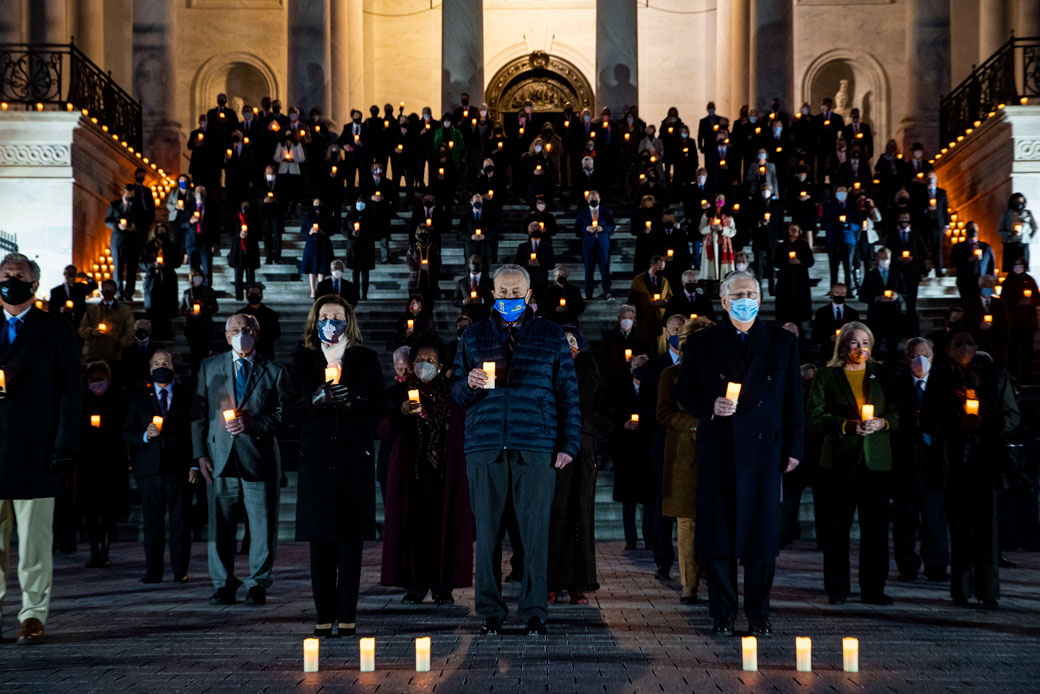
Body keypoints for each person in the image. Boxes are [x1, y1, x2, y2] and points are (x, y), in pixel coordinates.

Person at [451, 264, 581, 636]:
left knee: (535, 534)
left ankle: (535, 611)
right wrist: (470, 384)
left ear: (528, 296)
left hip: (536, 445)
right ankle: (490, 610)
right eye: (502, 292)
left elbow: (568, 395)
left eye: (515, 292)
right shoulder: (473, 337)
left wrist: (568, 443)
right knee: (488, 534)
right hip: (485, 445)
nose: (509, 299)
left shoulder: (552, 335)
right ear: (492, 294)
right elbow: (456, 393)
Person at [676, 270, 803, 635]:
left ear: (760, 299)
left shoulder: (782, 342)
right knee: (718, 536)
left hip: (764, 452)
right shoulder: (703, 342)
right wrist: (709, 405)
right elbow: (685, 392)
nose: (747, 299)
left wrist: (794, 447)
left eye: (753, 292)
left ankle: (759, 613)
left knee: (762, 539)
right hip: (720, 449)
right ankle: (723, 612)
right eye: (740, 293)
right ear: (724, 299)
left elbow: (793, 397)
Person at [287, 296, 384, 636]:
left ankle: (347, 617)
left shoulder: (366, 359)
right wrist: (314, 401)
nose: (331, 322)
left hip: (352, 463)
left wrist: (353, 402)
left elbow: (379, 406)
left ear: (348, 321)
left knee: (349, 548)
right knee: (321, 548)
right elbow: (288, 412)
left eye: (337, 316)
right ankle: (323, 615)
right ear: (316, 321)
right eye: (325, 316)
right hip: (316, 464)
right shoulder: (302, 359)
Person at [0, 253, 82, 645]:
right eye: (4, 275)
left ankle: (33, 613)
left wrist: (64, 444)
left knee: (33, 542)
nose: (10, 281)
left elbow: (71, 392)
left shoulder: (55, 328)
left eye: (18, 275)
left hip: (36, 449)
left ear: (34, 284)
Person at [191, 313, 291, 607]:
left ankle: (257, 583)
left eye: (246, 329)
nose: (241, 334)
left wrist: (256, 423)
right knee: (220, 525)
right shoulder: (210, 368)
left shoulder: (274, 371)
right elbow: (198, 414)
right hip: (220, 458)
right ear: (226, 336)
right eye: (234, 330)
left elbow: (287, 414)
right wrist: (200, 455)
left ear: (256, 335)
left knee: (262, 526)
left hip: (258, 458)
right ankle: (223, 583)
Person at [922, 326, 1020, 607]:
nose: (964, 348)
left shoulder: (995, 375)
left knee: (988, 532)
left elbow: (1012, 415)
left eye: (969, 343)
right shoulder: (940, 378)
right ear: (948, 350)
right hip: (954, 464)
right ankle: (961, 590)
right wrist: (955, 425)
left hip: (987, 464)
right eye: (958, 344)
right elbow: (928, 419)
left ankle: (988, 591)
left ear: (977, 346)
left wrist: (986, 424)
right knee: (961, 531)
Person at [806, 322, 899, 605]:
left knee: (876, 529)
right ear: (842, 346)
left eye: (865, 343)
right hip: (839, 461)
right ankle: (837, 588)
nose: (860, 348)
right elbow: (814, 416)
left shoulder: (881, 374)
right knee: (837, 528)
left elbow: (897, 412)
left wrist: (883, 422)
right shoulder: (826, 376)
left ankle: (873, 589)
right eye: (854, 343)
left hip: (875, 463)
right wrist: (846, 426)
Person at [381, 339, 473, 605]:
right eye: (419, 360)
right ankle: (416, 585)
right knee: (415, 529)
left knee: (443, 528)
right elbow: (384, 431)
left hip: (446, 474)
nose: (423, 366)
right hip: (412, 475)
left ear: (442, 366)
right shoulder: (399, 393)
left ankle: (442, 586)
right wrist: (401, 414)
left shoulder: (453, 395)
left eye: (430, 361)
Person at [547, 327, 611, 604]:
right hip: (554, 451)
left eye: (573, 341)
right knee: (553, 515)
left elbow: (607, 414)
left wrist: (583, 428)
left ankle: (578, 582)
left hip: (583, 453)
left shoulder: (593, 376)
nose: (568, 345)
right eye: (564, 341)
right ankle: (550, 581)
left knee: (580, 517)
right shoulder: (548, 372)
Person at [124, 350, 193, 584]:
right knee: (152, 523)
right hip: (150, 469)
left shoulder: (186, 394)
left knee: (180, 522)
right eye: (156, 363)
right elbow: (127, 431)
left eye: (165, 362)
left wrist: (194, 463)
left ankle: (179, 569)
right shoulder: (140, 396)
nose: (161, 366)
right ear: (150, 369)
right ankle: (153, 570)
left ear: (173, 366)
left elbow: (194, 430)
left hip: (178, 467)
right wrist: (144, 435)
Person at [658, 317, 713, 603]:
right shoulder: (672, 375)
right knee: (687, 522)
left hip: (716, 455)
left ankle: (713, 581)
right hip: (685, 456)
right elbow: (664, 413)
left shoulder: (721, 375)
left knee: (714, 521)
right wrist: (698, 422)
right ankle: (689, 586)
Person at [891, 338, 949, 582]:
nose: (920, 360)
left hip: (933, 462)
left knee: (934, 518)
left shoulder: (942, 383)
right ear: (906, 359)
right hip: (905, 462)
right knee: (905, 519)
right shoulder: (897, 383)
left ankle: (936, 564)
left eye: (925, 355)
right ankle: (907, 565)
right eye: (915, 355)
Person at [78, 362, 129, 569]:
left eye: (100, 379)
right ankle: (93, 551)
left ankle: (105, 551)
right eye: (92, 380)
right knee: (90, 512)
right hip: (88, 462)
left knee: (108, 512)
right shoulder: (82, 400)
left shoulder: (120, 401)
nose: (96, 384)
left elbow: (124, 427)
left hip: (111, 461)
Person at [78, 279, 136, 388]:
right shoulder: (92, 310)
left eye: (110, 288)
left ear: (115, 290)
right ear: (101, 290)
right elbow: (82, 330)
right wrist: (92, 332)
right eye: (105, 288)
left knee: (115, 386)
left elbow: (131, 332)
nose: (108, 291)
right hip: (95, 355)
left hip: (115, 356)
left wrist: (119, 342)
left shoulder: (124, 310)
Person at [859, 248, 906, 365]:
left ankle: (892, 374)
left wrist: (897, 297)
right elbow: (863, 296)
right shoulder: (870, 275)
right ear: (877, 259)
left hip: (893, 316)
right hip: (876, 316)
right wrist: (876, 298)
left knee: (892, 348)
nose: (885, 260)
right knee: (874, 347)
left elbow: (905, 293)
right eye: (882, 258)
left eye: (887, 258)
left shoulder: (897, 274)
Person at [140, 225, 180, 340]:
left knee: (166, 309)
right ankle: (155, 333)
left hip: (167, 280)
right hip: (153, 280)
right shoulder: (149, 247)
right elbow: (142, 262)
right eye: (159, 232)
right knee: (154, 309)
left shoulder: (171, 246)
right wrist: (153, 265)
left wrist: (167, 263)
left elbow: (177, 261)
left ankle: (167, 332)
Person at [1003, 259, 1040, 384]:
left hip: (1028, 322)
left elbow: (1038, 298)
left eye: (1020, 265)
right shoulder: (1008, 281)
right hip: (1014, 321)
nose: (1018, 268)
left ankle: (1026, 376)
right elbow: (1004, 299)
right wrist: (1017, 301)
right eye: (1015, 265)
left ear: (1024, 266)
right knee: (1013, 350)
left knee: (1027, 351)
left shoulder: (1030, 280)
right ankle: (1012, 375)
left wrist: (1030, 302)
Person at [105, 183, 144, 301]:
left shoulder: (138, 206)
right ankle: (118, 292)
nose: (130, 197)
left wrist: (135, 226)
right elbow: (107, 221)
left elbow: (143, 220)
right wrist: (118, 226)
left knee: (132, 268)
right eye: (128, 194)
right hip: (118, 241)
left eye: (132, 195)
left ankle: (129, 293)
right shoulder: (114, 205)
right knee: (118, 268)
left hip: (133, 241)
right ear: (123, 193)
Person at [628, 255, 672, 354]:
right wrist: (646, 302)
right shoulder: (638, 280)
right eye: (660, 268)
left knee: (660, 352)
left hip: (660, 323)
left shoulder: (664, 281)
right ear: (653, 266)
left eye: (663, 268)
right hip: (644, 322)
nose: (662, 270)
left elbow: (670, 298)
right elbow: (631, 299)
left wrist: (663, 302)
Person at [575, 190, 615, 300]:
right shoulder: (582, 212)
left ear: (600, 199)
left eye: (596, 198)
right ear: (587, 200)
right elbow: (577, 229)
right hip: (588, 245)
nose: (594, 200)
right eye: (591, 198)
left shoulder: (606, 211)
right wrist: (587, 228)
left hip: (603, 244)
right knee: (589, 269)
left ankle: (607, 292)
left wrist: (603, 229)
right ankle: (588, 293)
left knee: (605, 269)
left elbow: (612, 226)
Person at [773, 223, 815, 327]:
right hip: (785, 277)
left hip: (800, 277)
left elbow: (810, 261)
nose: (794, 231)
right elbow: (775, 262)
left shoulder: (804, 244)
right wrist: (787, 262)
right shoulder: (781, 245)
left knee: (800, 300)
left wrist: (800, 261)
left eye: (796, 229)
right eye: (792, 229)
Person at [180, 268, 219, 374]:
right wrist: (190, 313)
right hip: (191, 326)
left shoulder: (208, 291)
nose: (197, 279)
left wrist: (203, 312)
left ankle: (204, 372)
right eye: (194, 277)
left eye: (199, 276)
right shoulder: (187, 293)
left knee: (204, 350)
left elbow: (215, 307)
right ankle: (194, 372)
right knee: (194, 351)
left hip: (205, 325)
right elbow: (181, 309)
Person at [950, 221, 997, 302]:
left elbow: (991, 264)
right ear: (966, 230)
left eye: (975, 228)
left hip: (982, 282)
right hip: (965, 281)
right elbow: (953, 261)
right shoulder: (958, 247)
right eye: (970, 228)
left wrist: (990, 279)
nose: (973, 230)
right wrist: (969, 259)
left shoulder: (986, 247)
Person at [811, 283, 860, 360]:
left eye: (842, 293)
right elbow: (816, 334)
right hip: (828, 352)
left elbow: (857, 333)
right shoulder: (821, 312)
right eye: (837, 293)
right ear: (831, 293)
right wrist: (829, 338)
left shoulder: (852, 313)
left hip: (847, 353)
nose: (840, 295)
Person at [235, 285, 282, 361]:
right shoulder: (240, 314)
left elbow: (276, 333)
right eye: (251, 293)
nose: (254, 295)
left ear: (261, 295)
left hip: (265, 351)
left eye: (256, 293)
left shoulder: (270, 314)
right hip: (246, 351)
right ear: (247, 296)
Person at [48, 264, 98, 335]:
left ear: (75, 275)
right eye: (68, 273)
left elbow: (94, 286)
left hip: (79, 322)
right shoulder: (56, 291)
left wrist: (87, 277)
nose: (70, 275)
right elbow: (51, 308)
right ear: (64, 274)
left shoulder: (80, 287)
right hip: (63, 323)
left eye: (73, 273)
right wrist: (62, 309)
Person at [301, 198, 335, 299]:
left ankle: (321, 290)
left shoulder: (327, 216)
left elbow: (332, 229)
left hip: (324, 243)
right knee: (312, 267)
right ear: (312, 204)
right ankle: (312, 290)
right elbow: (303, 230)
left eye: (319, 203)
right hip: (312, 244)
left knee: (322, 267)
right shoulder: (308, 216)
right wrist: (309, 232)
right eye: (316, 203)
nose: (318, 205)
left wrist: (323, 231)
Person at [698, 198, 736, 285]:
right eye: (718, 198)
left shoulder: (728, 216)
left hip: (724, 245)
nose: (720, 201)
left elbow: (733, 231)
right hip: (711, 244)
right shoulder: (707, 215)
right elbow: (701, 229)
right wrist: (711, 228)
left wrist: (723, 230)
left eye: (722, 199)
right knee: (712, 269)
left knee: (723, 269)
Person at [346, 195, 376, 301]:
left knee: (365, 272)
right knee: (355, 272)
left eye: (362, 202)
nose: (360, 204)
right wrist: (351, 234)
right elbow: (343, 228)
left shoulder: (370, 215)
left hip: (366, 247)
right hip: (353, 247)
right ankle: (356, 294)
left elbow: (374, 230)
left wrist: (362, 233)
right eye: (359, 202)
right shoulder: (350, 215)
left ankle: (364, 294)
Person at [228, 202, 261, 301]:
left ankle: (250, 297)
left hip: (250, 250)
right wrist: (239, 235)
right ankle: (239, 297)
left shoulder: (253, 219)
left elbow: (258, 233)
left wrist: (248, 235)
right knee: (238, 276)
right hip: (238, 251)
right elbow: (231, 234)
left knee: (250, 277)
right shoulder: (235, 219)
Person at [997, 193, 1037, 271]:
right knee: (1011, 268)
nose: (1019, 204)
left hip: (1023, 244)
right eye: (1017, 201)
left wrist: (1028, 237)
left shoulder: (1028, 213)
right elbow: (999, 231)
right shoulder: (1006, 214)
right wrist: (1010, 234)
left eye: (1021, 201)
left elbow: (1034, 228)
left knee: (1023, 268)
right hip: (1010, 244)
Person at [452, 255, 494, 322]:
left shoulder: (489, 281)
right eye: (473, 262)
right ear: (469, 265)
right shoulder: (461, 282)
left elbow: (494, 300)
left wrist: (482, 300)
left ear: (481, 265)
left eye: (478, 262)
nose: (475, 264)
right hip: (466, 317)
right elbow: (455, 301)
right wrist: (464, 301)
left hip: (483, 317)